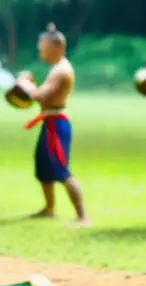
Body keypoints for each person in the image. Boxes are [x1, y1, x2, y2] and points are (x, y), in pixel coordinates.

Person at [14, 24, 90, 227]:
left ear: (56, 46)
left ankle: (83, 216)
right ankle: (49, 209)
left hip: (57, 125)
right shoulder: (56, 69)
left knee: (61, 169)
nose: (40, 51)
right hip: (49, 122)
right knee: (43, 165)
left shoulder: (62, 71)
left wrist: (24, 84)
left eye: (43, 47)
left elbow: (40, 96)